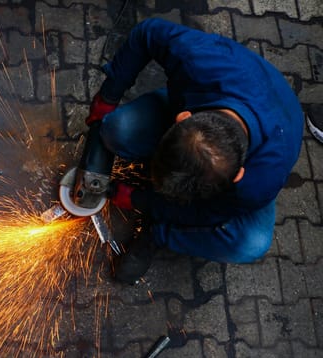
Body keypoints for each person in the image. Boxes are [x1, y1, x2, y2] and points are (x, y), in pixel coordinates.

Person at [86, 18, 304, 284]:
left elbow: (207, 213)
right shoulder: (200, 61)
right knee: (116, 129)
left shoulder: (259, 182)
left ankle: (159, 235)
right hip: (223, 92)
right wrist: (108, 97)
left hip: (268, 141)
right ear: (182, 117)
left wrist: (142, 201)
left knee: (251, 243)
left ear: (237, 177)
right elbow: (147, 32)